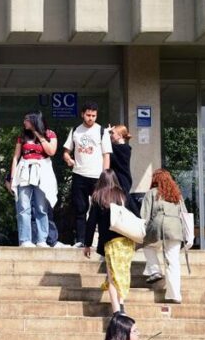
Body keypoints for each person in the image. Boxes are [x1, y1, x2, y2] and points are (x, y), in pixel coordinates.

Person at [84, 169, 137, 316]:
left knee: (113, 275)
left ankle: (117, 311)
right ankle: (121, 305)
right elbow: (137, 215)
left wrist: (87, 244)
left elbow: (91, 222)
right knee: (122, 273)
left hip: (111, 242)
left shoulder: (98, 196)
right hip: (127, 241)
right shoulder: (123, 195)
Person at [63, 101, 112, 247]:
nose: (91, 118)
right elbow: (66, 151)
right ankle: (81, 240)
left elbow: (106, 155)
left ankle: (102, 240)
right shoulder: (75, 131)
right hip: (79, 174)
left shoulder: (101, 131)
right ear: (82, 114)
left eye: (94, 116)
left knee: (101, 209)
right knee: (80, 209)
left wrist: (105, 176)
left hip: (97, 176)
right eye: (88, 115)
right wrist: (68, 159)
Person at [7, 111, 58, 248]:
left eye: (27, 120)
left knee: (41, 207)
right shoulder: (22, 136)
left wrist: (39, 135)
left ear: (34, 121)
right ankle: (25, 240)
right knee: (24, 207)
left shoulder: (49, 134)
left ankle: (42, 239)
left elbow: (51, 151)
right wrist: (12, 177)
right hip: (24, 172)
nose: (24, 122)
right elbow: (15, 157)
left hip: (42, 172)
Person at [141, 169, 185, 303]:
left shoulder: (151, 193)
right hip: (176, 230)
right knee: (173, 262)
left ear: (155, 180)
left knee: (147, 246)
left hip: (158, 228)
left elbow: (144, 217)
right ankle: (175, 295)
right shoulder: (177, 195)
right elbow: (184, 213)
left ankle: (155, 270)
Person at [109, 125, 133, 197]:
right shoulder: (124, 148)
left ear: (119, 135)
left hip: (121, 181)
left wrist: (105, 133)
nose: (110, 135)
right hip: (123, 180)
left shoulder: (122, 148)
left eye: (112, 133)